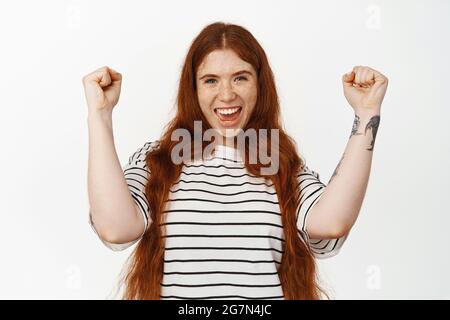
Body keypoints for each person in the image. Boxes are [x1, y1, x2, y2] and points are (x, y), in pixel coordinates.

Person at [83, 22, 388, 300]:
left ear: (259, 85)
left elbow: (332, 222)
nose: (226, 94)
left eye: (240, 78)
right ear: (193, 89)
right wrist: (100, 115)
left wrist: (366, 113)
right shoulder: (159, 159)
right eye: (211, 80)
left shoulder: (282, 164)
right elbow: (115, 227)